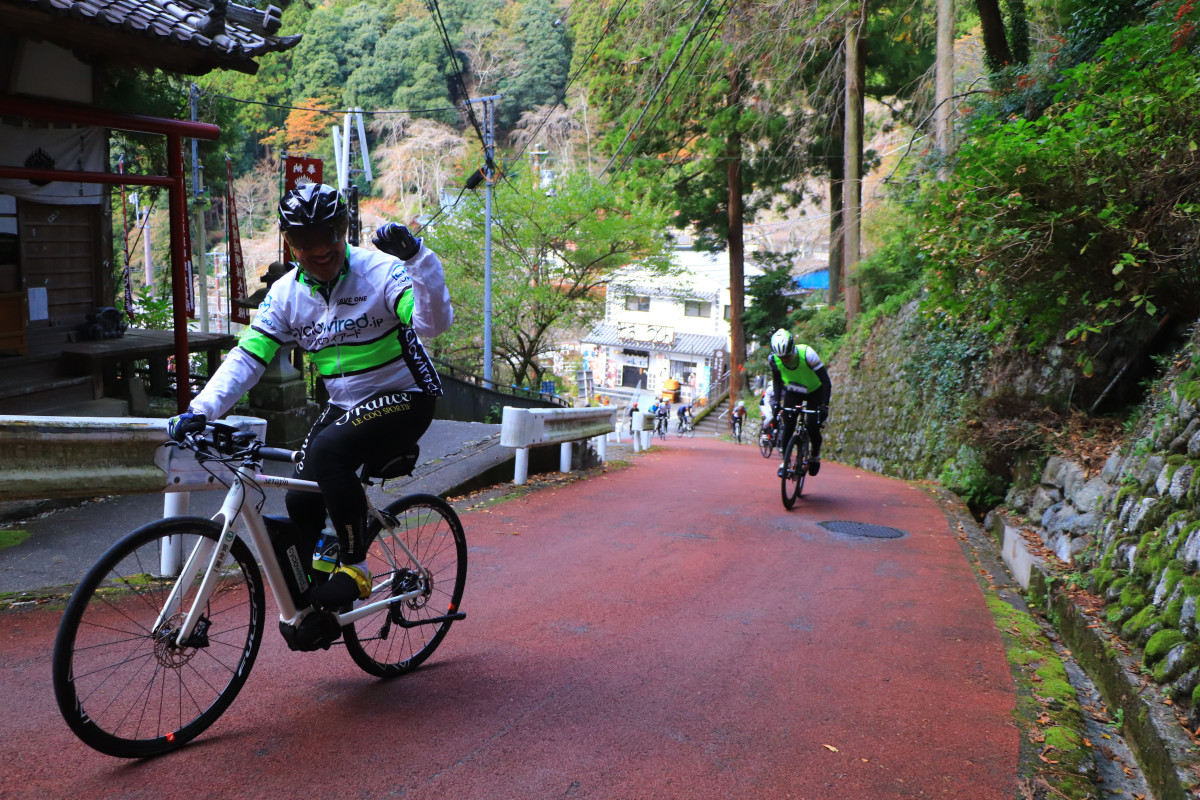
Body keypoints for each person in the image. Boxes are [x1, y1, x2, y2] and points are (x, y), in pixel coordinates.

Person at [168, 183, 454, 611]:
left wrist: (418, 260)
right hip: (345, 403)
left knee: (326, 453)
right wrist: (200, 411)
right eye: (305, 244)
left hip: (405, 394)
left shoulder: (382, 271)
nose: (320, 253)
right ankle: (314, 592)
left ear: (344, 231)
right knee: (301, 493)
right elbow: (249, 356)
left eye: (329, 240)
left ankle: (355, 568)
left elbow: (432, 324)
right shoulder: (285, 295)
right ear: (289, 243)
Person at [768, 328, 832, 477]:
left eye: (787, 356)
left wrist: (824, 406)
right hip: (794, 390)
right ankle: (785, 462)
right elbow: (777, 382)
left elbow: (826, 382)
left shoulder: (807, 354)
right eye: (781, 357)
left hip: (814, 390)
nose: (785, 360)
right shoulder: (774, 359)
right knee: (788, 424)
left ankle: (815, 456)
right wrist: (777, 402)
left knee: (812, 426)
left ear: (792, 348)